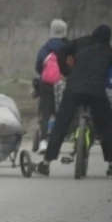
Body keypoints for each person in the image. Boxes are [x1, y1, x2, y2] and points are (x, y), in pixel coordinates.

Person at [35, 24, 112, 178]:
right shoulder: (107, 51)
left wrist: (65, 72)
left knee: (60, 125)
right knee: (106, 126)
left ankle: (45, 164)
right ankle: (111, 166)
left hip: (73, 89)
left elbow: (62, 51)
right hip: (96, 92)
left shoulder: (81, 48)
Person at [34, 19, 69, 153]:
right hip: (64, 85)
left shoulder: (45, 48)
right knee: (63, 113)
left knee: (45, 114)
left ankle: (43, 142)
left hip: (47, 86)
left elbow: (38, 68)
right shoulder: (70, 48)